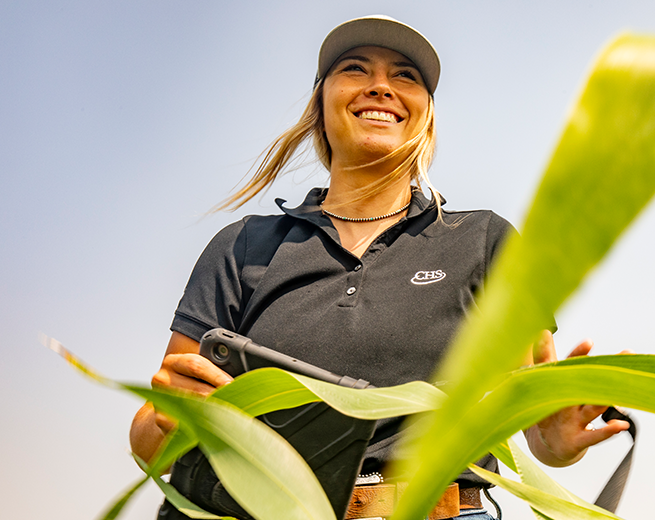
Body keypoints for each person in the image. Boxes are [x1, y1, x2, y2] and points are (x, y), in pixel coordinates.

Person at [129, 14, 629, 520]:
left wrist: (556, 438)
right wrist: (175, 419)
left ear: (426, 115)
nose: (381, 87)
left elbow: (538, 433)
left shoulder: (486, 241)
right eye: (354, 68)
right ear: (320, 104)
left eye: (406, 76)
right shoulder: (241, 246)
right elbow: (149, 440)